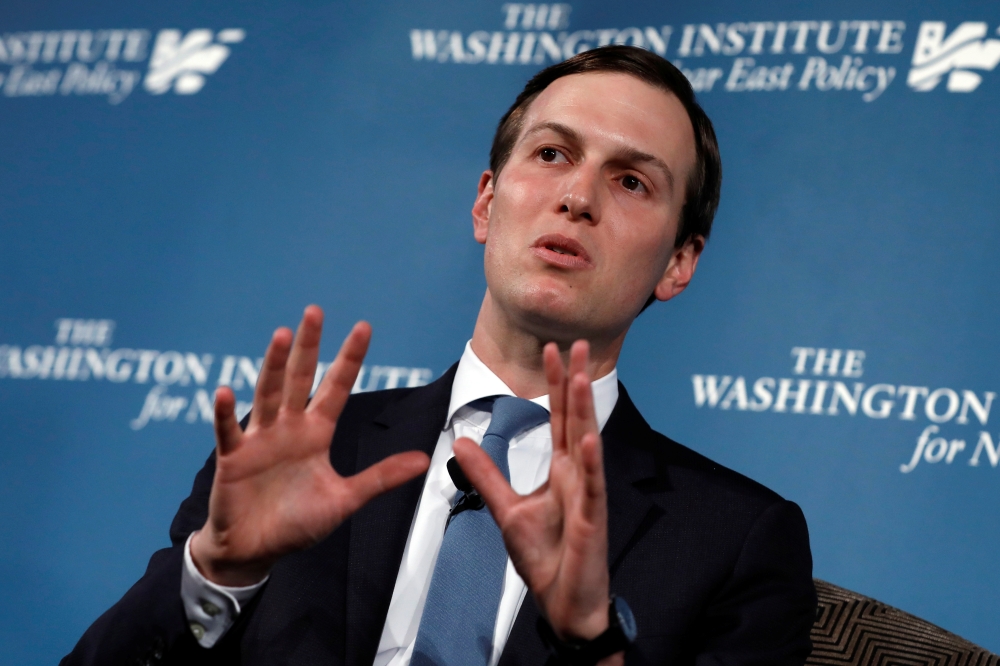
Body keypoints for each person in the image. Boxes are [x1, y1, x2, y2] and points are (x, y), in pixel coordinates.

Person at [63, 46, 816, 666]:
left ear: (680, 262)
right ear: (487, 203)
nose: (578, 196)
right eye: (553, 153)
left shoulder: (738, 540)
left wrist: (592, 645)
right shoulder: (309, 453)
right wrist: (218, 572)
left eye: (630, 181)